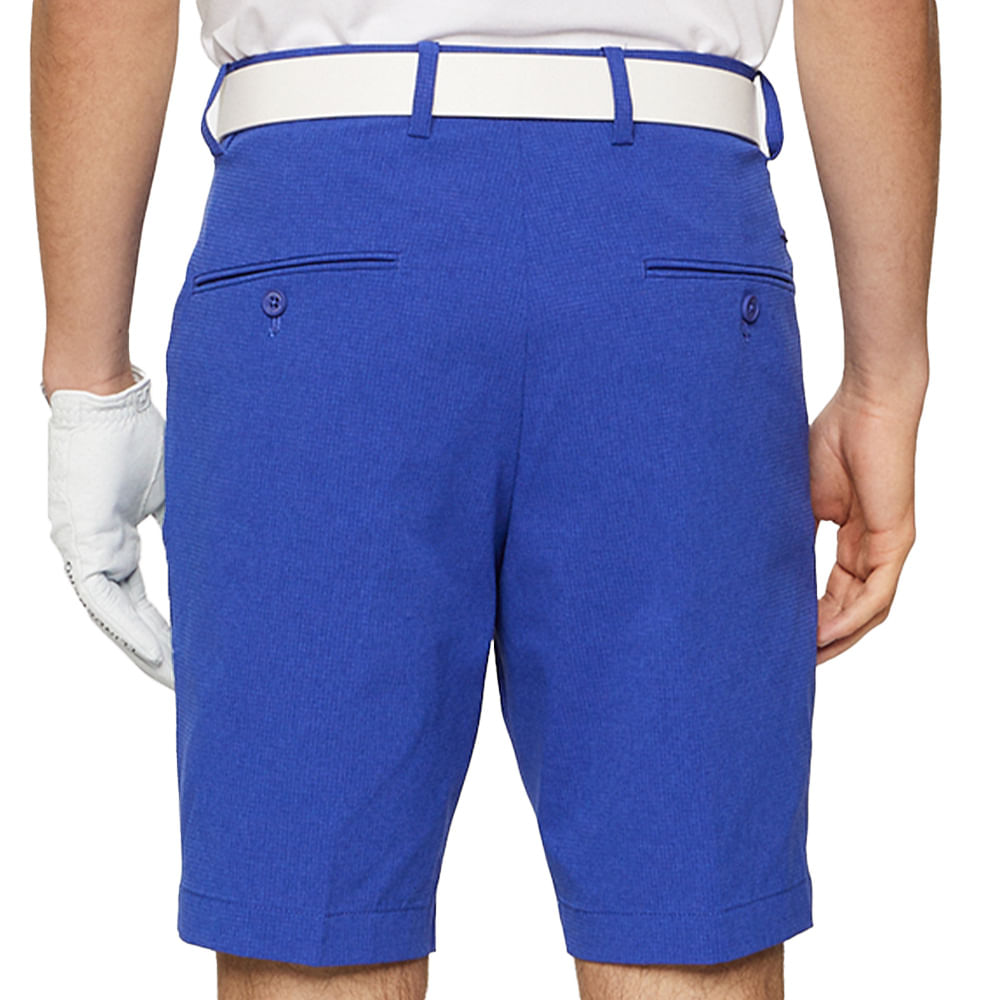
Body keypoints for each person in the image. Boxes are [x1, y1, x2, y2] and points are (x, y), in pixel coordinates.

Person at [32, 1, 939, 997]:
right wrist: (884, 378)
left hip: (323, 248)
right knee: (687, 937)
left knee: (311, 944)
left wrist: (88, 381)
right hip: (671, 249)